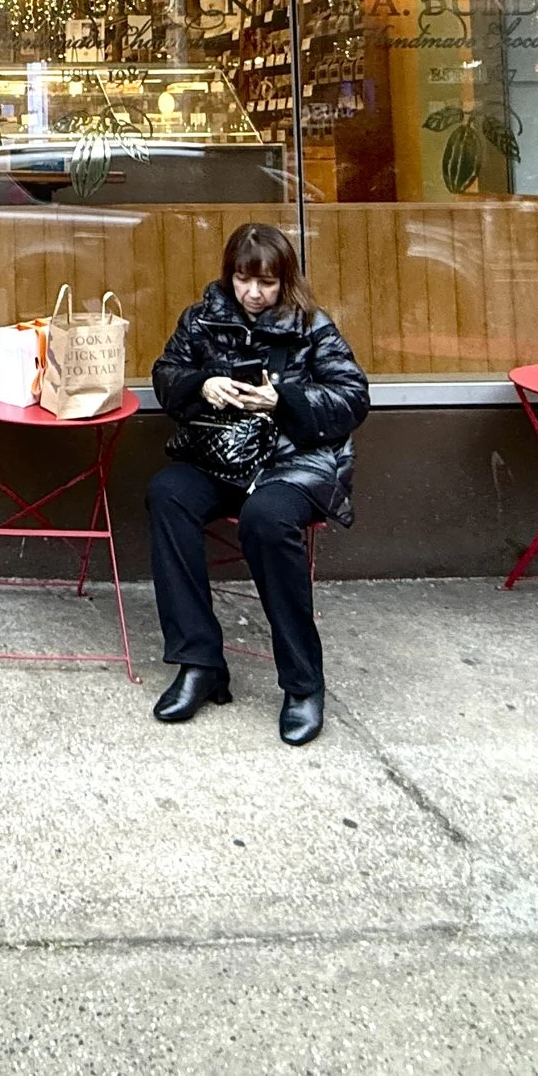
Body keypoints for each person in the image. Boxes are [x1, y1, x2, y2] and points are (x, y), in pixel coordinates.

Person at [147, 222, 370, 747]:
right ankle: (199, 663)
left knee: (266, 522)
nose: (253, 293)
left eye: (266, 283)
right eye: (245, 280)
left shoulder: (312, 325)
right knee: (167, 494)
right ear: (230, 276)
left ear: (283, 281)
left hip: (296, 463)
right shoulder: (203, 318)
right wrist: (202, 384)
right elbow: (165, 374)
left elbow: (353, 398)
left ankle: (302, 684)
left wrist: (283, 399)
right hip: (222, 457)